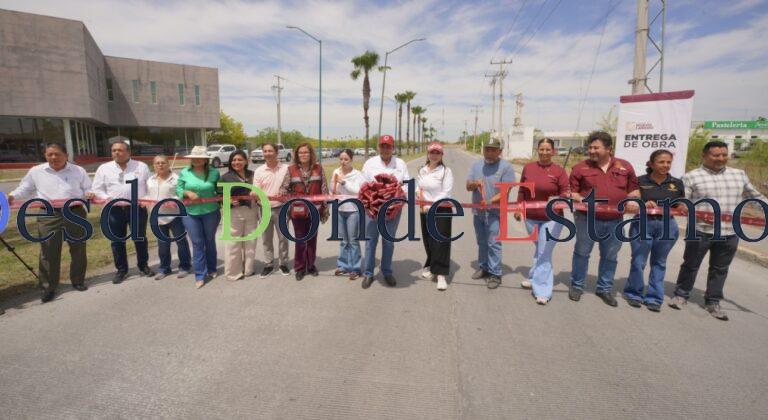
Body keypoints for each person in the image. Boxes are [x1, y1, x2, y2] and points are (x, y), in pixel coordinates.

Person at [671, 141, 768, 320]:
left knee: (720, 268)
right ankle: (681, 295)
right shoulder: (691, 177)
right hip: (700, 230)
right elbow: (683, 201)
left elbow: (755, 196)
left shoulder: (739, 175)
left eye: (724, 155)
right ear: (704, 155)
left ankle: (713, 301)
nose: (721, 158)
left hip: (730, 231)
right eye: (716, 155)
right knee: (691, 264)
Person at [8, 143, 92, 303]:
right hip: (48, 214)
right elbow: (25, 188)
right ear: (45, 155)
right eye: (49, 154)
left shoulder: (78, 170)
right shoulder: (36, 171)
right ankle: (48, 287)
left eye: (57, 154)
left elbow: (88, 187)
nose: (53, 157)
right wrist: (11, 196)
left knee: (78, 248)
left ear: (66, 155)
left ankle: (78, 281)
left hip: (74, 212)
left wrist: (88, 193)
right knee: (48, 250)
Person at [568, 131, 639, 306]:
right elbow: (571, 192)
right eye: (590, 147)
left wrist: (632, 199)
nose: (591, 150)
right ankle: (577, 286)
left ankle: (604, 289)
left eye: (596, 147)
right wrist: (580, 199)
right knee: (582, 253)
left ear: (609, 149)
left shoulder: (625, 167)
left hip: (615, 220)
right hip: (586, 219)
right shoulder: (580, 168)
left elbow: (634, 189)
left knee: (610, 256)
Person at [623, 150, 684, 312]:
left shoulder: (677, 183)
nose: (665, 165)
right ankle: (634, 293)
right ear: (651, 164)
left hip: (667, 226)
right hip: (643, 224)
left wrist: (683, 206)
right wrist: (642, 203)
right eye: (661, 162)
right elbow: (630, 201)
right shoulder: (639, 181)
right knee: (638, 260)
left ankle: (654, 297)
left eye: (668, 162)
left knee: (660, 262)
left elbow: (679, 204)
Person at [514, 138, 570, 304]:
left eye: (548, 150)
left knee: (545, 252)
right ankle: (533, 277)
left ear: (553, 151)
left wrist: (559, 197)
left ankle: (542, 291)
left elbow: (566, 192)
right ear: (537, 150)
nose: (544, 152)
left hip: (552, 218)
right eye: (542, 149)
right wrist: (519, 208)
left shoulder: (559, 171)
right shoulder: (528, 168)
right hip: (531, 216)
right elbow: (522, 190)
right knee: (540, 248)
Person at [92, 140, 154, 284]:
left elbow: (149, 185)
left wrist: (146, 199)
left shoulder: (141, 166)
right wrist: (106, 198)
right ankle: (121, 270)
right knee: (117, 240)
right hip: (114, 210)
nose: (116, 153)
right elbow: (97, 188)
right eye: (114, 150)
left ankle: (143, 266)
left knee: (139, 238)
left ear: (128, 152)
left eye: (120, 150)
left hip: (137, 208)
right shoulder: (104, 168)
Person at [361, 135, 411, 289]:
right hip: (372, 209)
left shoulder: (400, 164)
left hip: (392, 210)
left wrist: (398, 194)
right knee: (370, 241)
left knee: (388, 242)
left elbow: (407, 183)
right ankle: (368, 273)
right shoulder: (370, 163)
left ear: (393, 148)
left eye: (388, 146)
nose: (385, 149)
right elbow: (362, 183)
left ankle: (387, 271)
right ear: (378, 147)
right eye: (382, 146)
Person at [466, 136, 516, 289]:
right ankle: (484, 267)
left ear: (499, 151)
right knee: (481, 242)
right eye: (487, 149)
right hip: (478, 212)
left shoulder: (506, 167)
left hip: (495, 212)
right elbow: (468, 186)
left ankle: (495, 273)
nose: (489, 152)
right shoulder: (476, 166)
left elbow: (505, 191)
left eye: (493, 150)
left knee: (494, 243)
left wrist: (489, 201)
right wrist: (475, 183)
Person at [176, 146, 221, 289]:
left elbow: (219, 190)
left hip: (211, 212)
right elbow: (178, 189)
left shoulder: (214, 173)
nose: (196, 159)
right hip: (190, 213)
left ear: (205, 160)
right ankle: (200, 274)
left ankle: (212, 268)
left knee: (209, 240)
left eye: (199, 157)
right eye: (193, 157)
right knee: (197, 242)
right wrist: (186, 193)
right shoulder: (184, 172)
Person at [286, 142, 329, 281]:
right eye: (300, 153)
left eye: (306, 152)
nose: (303, 155)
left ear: (311, 154)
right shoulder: (291, 169)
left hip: (315, 211)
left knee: (312, 239)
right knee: (300, 239)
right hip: (297, 211)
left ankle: (310, 265)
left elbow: (324, 188)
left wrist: (325, 206)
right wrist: (289, 202)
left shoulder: (319, 168)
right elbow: (284, 189)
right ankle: (299, 267)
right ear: (297, 155)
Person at [145, 155, 191, 280]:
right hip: (157, 217)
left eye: (163, 163)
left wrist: (174, 201)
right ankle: (164, 268)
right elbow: (147, 195)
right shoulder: (150, 180)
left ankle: (185, 266)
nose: (160, 165)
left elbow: (181, 194)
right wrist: (145, 201)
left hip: (174, 216)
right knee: (162, 244)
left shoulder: (177, 179)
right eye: (157, 163)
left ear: (168, 164)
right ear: (153, 165)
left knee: (181, 242)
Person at [416, 141, 454, 291]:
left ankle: (441, 275)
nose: (434, 155)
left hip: (441, 210)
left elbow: (446, 193)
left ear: (441, 155)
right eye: (432, 152)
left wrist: (430, 205)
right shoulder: (422, 170)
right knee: (429, 240)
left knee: (441, 242)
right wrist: (419, 196)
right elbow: (419, 187)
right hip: (424, 210)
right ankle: (432, 267)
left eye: (438, 152)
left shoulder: (446, 171)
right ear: (428, 153)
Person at [252, 143, 291, 277]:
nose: (268, 153)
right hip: (264, 209)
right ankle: (268, 264)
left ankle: (283, 264)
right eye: (265, 151)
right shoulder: (259, 171)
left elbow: (290, 187)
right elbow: (256, 189)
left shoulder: (286, 168)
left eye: (270, 151)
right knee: (266, 239)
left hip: (282, 208)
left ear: (276, 152)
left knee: (283, 238)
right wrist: (254, 194)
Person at [221, 150, 258, 281]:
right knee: (233, 243)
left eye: (240, 160)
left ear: (246, 161)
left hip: (251, 210)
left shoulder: (253, 175)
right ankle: (233, 273)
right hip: (233, 213)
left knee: (251, 241)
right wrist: (228, 200)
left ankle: (248, 269)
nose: (236, 162)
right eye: (234, 160)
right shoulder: (226, 177)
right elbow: (219, 195)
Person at [331, 148, 365, 280]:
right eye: (341, 159)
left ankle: (355, 268)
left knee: (353, 240)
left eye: (346, 159)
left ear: (351, 160)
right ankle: (343, 265)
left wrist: (344, 182)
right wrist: (333, 193)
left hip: (353, 210)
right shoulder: (336, 172)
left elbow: (358, 191)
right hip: (339, 209)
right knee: (343, 241)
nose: (343, 162)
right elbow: (331, 188)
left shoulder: (358, 174)